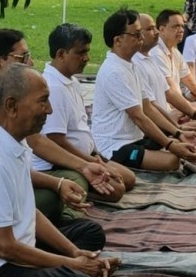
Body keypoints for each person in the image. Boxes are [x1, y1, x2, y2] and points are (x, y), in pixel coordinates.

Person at [0, 63, 120, 277]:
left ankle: (74, 267)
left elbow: (29, 212)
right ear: (11, 106)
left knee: (91, 234)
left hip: (17, 246)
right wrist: (74, 266)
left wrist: (73, 253)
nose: (49, 110)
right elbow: (4, 248)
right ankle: (76, 271)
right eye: (42, 101)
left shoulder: (12, 139)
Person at [0, 28, 113, 223]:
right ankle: (68, 223)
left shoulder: (4, 94)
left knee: (74, 178)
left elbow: (36, 141)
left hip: (11, 181)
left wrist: (84, 166)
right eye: (23, 58)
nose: (31, 64)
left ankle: (65, 221)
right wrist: (57, 184)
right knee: (56, 195)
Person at [92, 8, 196, 172]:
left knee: (180, 145)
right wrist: (171, 144)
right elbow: (139, 116)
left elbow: (149, 107)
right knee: (172, 161)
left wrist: (178, 134)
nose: (141, 38)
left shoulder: (131, 65)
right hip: (114, 145)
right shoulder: (114, 71)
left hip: (136, 138)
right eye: (136, 34)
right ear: (118, 40)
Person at [43, 23, 136, 201]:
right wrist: (88, 162)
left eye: (87, 52)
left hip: (87, 154)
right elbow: (56, 141)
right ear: (61, 54)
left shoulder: (71, 82)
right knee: (117, 190)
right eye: (81, 53)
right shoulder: (54, 88)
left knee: (128, 178)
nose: (87, 58)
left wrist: (96, 157)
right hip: (63, 161)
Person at [134, 13, 196, 136]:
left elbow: (168, 93)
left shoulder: (151, 57)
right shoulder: (141, 61)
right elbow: (148, 109)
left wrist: (193, 114)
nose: (156, 32)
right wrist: (176, 134)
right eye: (150, 29)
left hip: (166, 115)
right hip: (153, 125)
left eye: (182, 26)